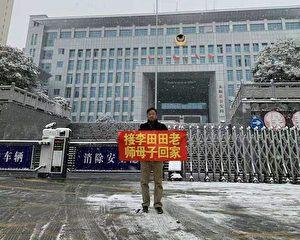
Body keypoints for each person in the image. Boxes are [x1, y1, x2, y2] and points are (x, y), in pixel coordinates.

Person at [139, 107, 168, 214]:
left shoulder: (162, 127)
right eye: (149, 114)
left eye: (153, 114)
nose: (151, 115)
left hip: (158, 158)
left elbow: (169, 140)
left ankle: (157, 204)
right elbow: (137, 141)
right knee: (144, 182)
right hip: (145, 158)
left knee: (158, 182)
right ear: (147, 116)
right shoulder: (143, 127)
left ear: (156, 115)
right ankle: (145, 204)